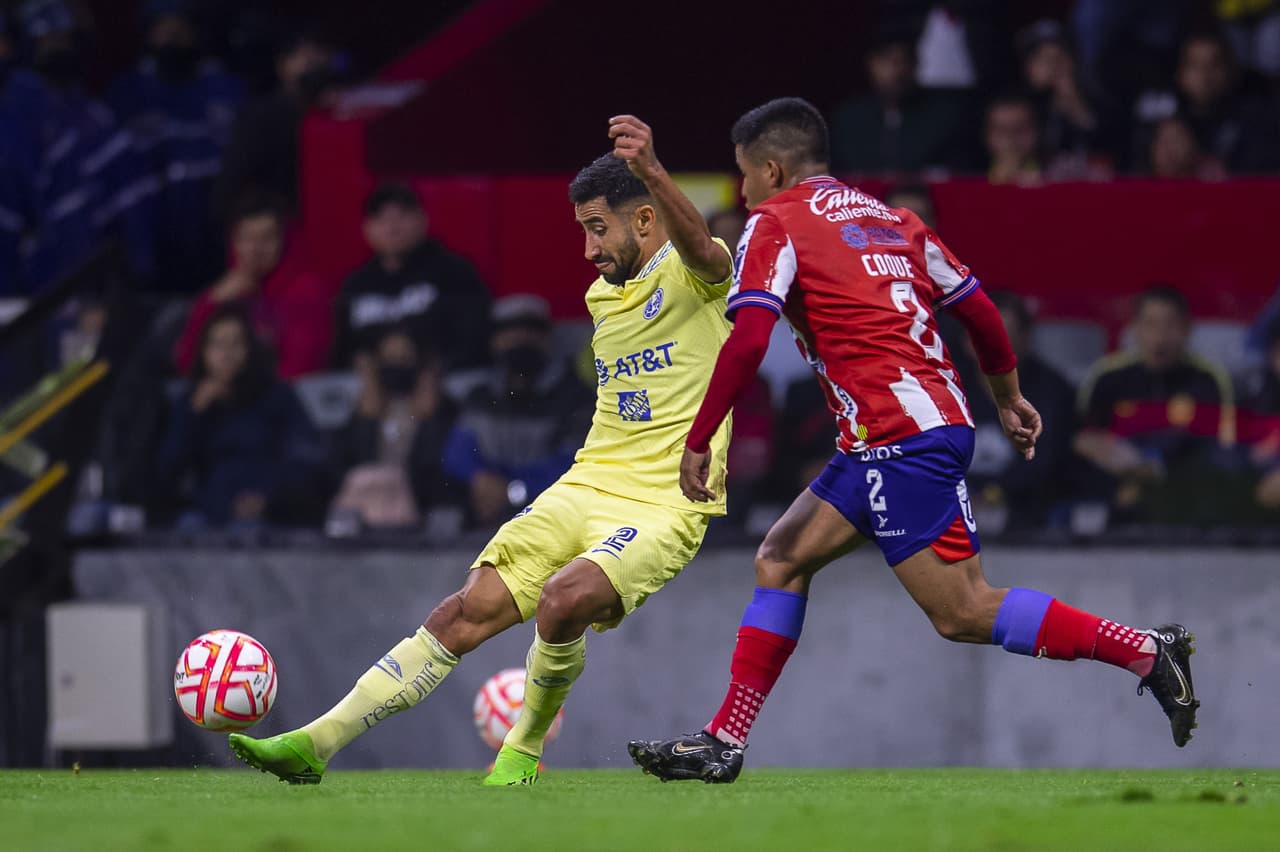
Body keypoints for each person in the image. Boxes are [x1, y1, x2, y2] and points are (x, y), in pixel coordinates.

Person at [626, 98, 1199, 785]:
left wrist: (700, 436)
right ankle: (725, 739)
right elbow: (981, 312)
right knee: (780, 557)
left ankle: (1145, 650)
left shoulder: (775, 222)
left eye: (744, 174)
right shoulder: (894, 220)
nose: (743, 190)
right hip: (904, 429)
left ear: (771, 170)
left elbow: (750, 339)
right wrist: (1007, 397)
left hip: (899, 438)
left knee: (963, 611)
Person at [228, 115, 736, 786]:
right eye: (582, 230)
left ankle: (521, 752)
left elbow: (705, 252)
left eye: (597, 228)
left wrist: (652, 171)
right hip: (585, 484)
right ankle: (314, 744)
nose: (588, 249)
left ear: (644, 220)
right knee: (462, 611)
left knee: (563, 599)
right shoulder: (601, 297)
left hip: (665, 503)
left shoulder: (698, 276)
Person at [107, 0, 245, 290]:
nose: (172, 37)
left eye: (180, 28)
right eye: (164, 29)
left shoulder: (228, 88)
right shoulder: (126, 93)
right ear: (148, 33)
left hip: (219, 240)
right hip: (154, 244)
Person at [1074, 286, 1236, 525]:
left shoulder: (1208, 380)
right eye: (1150, 324)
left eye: (1170, 325)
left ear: (1187, 329)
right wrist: (1126, 477)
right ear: (1134, 328)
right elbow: (1085, 441)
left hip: (1183, 498)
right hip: (1114, 493)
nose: (1160, 337)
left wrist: (1153, 473)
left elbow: (1216, 449)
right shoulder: (1107, 377)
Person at [154, 302, 326, 528]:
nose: (226, 355)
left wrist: (267, 497)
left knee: (248, 529)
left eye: (236, 344)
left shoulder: (277, 396)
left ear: (250, 348)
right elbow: (166, 473)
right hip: (209, 510)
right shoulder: (190, 402)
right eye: (217, 345)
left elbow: (305, 460)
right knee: (187, 526)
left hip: (267, 509)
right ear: (204, 352)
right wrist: (192, 415)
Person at [441, 294, 591, 528]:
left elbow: (575, 465)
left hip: (550, 520)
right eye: (509, 331)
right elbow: (456, 453)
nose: (519, 338)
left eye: (530, 329)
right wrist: (479, 478)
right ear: (494, 341)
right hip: (485, 514)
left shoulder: (576, 398)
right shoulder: (481, 396)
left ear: (547, 338)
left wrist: (514, 488)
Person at [330, 182, 492, 371]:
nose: (392, 227)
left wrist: (416, 346)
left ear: (422, 220)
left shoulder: (455, 273)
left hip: (443, 380)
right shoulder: (355, 286)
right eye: (381, 218)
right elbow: (340, 354)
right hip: (368, 383)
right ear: (367, 229)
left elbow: (474, 342)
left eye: (402, 216)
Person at [173, 196, 330, 379]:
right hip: (227, 391)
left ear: (284, 240)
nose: (255, 248)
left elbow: (301, 367)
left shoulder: (306, 291)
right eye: (246, 238)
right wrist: (211, 303)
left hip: (281, 393)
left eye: (267, 238)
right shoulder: (223, 292)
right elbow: (186, 364)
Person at [328, 328, 459, 531]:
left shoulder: (440, 408)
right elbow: (347, 461)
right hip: (367, 498)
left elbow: (439, 467)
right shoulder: (366, 406)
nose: (397, 365)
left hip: (418, 499)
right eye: (389, 358)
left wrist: (431, 417)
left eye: (404, 358)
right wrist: (366, 419)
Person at [984, 94, 1042, 184]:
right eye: (1002, 130)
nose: (1010, 139)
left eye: (1020, 129)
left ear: (1036, 131)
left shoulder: (1056, 173)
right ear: (988, 135)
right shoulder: (967, 173)